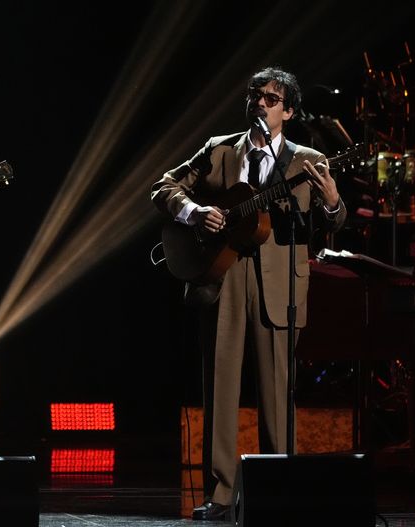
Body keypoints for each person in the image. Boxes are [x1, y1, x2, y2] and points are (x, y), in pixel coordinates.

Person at [151, 67, 347, 521]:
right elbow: (164, 187)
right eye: (255, 96)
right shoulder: (218, 150)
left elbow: (333, 223)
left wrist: (333, 200)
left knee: (278, 391)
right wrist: (194, 211)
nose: (261, 102)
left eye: (272, 98)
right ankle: (220, 495)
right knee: (220, 386)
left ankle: (279, 488)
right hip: (222, 276)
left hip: (280, 284)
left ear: (289, 111)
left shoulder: (308, 160)